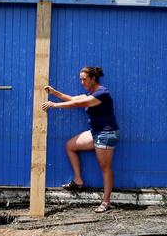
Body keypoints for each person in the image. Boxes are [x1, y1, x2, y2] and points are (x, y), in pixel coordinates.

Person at [41, 66, 119, 213]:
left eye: (84, 79)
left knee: (105, 168)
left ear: (93, 78)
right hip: (95, 132)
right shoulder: (91, 93)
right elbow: (72, 99)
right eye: (80, 79)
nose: (82, 82)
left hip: (106, 134)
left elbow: (77, 104)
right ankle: (78, 180)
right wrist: (54, 92)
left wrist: (54, 105)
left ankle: (106, 202)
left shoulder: (102, 93)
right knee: (70, 146)